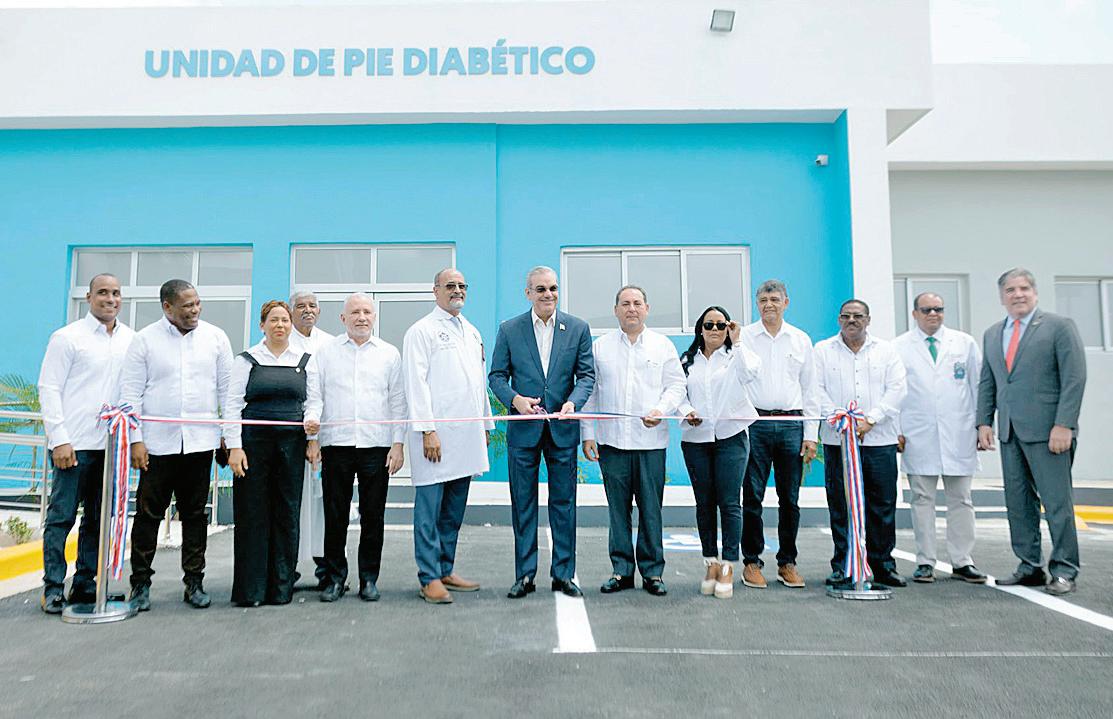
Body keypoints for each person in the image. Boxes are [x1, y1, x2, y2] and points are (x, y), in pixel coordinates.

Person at [120, 279, 233, 611]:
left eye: (197, 303)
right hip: (156, 445)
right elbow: (130, 393)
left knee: (195, 515)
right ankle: (140, 584)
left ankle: (194, 582)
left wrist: (228, 434)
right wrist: (136, 440)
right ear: (167, 307)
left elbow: (228, 390)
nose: (195, 310)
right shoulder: (144, 340)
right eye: (187, 306)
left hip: (200, 444)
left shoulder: (215, 337)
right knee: (148, 516)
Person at [976, 268, 1087, 595]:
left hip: (1050, 432)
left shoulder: (1058, 327)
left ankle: (1064, 570)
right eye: (1011, 290)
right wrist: (984, 421)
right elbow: (989, 381)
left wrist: (1064, 424)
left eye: (1024, 288)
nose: (1018, 294)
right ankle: (1029, 566)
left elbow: (1074, 378)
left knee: (1057, 504)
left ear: (1035, 293)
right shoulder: (993, 333)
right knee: (1018, 504)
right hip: (1010, 432)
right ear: (1002, 297)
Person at [489, 266, 595, 599]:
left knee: (564, 503)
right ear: (528, 293)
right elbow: (496, 377)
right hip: (524, 430)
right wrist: (515, 400)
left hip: (562, 429)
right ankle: (525, 575)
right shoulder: (510, 330)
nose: (548, 294)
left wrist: (573, 402)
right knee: (523, 503)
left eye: (553, 288)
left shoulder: (577, 328)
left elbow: (586, 376)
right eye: (541, 289)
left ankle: (563, 574)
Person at [36, 273, 134, 614]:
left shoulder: (131, 340)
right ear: (89, 297)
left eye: (116, 293)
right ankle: (52, 588)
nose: (110, 299)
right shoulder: (67, 338)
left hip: (112, 446)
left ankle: (85, 584)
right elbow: (49, 388)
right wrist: (59, 439)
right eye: (103, 292)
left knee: (98, 518)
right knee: (61, 517)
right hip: (74, 444)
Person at [582, 286, 687, 597]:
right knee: (618, 511)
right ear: (615, 310)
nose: (631, 308)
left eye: (637, 303)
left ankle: (653, 572)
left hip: (650, 444)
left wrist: (661, 410)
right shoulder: (600, 347)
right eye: (625, 303)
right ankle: (621, 571)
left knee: (651, 510)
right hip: (612, 444)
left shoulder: (662, 346)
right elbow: (590, 393)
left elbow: (676, 386)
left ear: (647, 308)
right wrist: (588, 433)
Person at [303, 293, 406, 603]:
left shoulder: (389, 354)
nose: (361, 317)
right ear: (343, 318)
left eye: (367, 312)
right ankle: (335, 579)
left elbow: (398, 401)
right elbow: (314, 397)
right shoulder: (325, 353)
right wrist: (312, 435)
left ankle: (369, 579)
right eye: (355, 312)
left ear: (374, 316)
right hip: (337, 445)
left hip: (377, 445)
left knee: (373, 516)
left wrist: (398, 443)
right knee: (335, 515)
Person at [403, 269, 492, 604]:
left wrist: (485, 425)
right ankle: (428, 577)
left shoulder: (472, 331)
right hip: (435, 437)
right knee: (430, 509)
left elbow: (478, 382)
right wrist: (428, 429)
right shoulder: (421, 331)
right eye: (450, 285)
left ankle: (445, 568)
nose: (457, 290)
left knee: (453, 509)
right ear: (435, 290)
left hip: (467, 435)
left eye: (462, 286)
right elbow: (415, 383)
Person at [814, 299, 907, 588]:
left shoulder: (886, 351)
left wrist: (871, 419)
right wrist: (841, 419)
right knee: (841, 504)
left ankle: (882, 565)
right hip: (838, 440)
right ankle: (844, 565)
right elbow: (816, 389)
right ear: (838, 319)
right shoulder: (823, 351)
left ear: (868, 319)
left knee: (882, 504)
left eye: (857, 316)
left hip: (880, 440)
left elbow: (897, 389)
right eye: (846, 316)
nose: (851, 320)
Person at [895, 292, 987, 584]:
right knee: (922, 498)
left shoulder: (964, 343)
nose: (933, 314)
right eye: (926, 310)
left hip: (959, 431)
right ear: (915, 314)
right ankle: (925, 561)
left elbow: (978, 386)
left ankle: (962, 560)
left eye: (938, 309)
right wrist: (896, 429)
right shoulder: (899, 347)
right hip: (917, 433)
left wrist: (982, 425)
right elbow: (895, 392)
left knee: (961, 498)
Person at [225, 300, 311, 607]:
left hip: (291, 446)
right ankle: (252, 590)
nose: (280, 325)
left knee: (287, 512)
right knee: (252, 513)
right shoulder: (247, 360)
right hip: (253, 447)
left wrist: (313, 435)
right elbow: (233, 405)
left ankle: (281, 588)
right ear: (262, 325)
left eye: (285, 320)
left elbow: (313, 402)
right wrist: (234, 447)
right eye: (273, 320)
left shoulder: (304, 360)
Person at [738, 279, 819, 589]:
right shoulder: (745, 337)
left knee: (790, 498)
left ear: (786, 303)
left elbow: (810, 389)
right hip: (754, 424)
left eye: (774, 299)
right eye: (763, 300)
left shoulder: (800, 340)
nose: (768, 305)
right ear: (757, 304)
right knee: (752, 497)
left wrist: (810, 434)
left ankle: (787, 562)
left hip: (791, 424)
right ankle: (752, 562)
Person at [677, 306, 761, 599]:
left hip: (731, 437)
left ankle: (728, 564)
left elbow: (750, 374)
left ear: (728, 328)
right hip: (696, 439)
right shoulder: (687, 361)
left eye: (721, 325)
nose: (714, 329)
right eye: (709, 324)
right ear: (700, 329)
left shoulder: (736, 356)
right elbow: (677, 393)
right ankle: (710, 562)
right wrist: (687, 410)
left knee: (729, 502)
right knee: (704, 503)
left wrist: (737, 342)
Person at [288, 291, 333, 589]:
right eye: (301, 306)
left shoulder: (330, 343)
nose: (307, 311)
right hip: (291, 436)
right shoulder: (282, 340)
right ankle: (286, 569)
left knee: (324, 505)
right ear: (291, 311)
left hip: (325, 435)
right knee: (292, 503)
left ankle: (327, 570)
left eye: (312, 306)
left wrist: (316, 435)